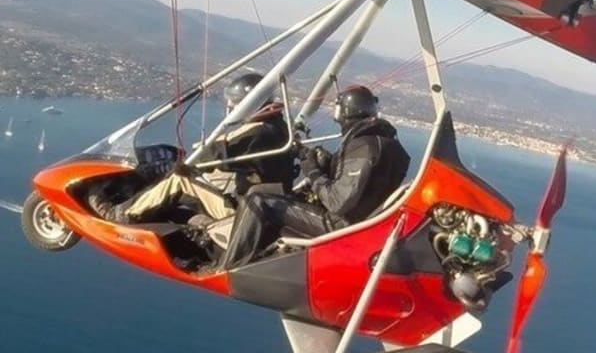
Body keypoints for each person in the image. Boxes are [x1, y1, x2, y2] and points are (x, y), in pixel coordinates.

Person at [221, 85, 410, 269]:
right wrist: (325, 164)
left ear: (343, 112)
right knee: (283, 199)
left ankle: (227, 266)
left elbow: (337, 202)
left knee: (259, 201)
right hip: (364, 224)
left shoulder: (363, 147)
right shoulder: (389, 145)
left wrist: (312, 171)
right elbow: (367, 185)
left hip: (341, 227)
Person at [88, 72, 296, 224]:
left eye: (234, 104)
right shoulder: (278, 125)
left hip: (247, 212)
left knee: (181, 179)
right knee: (211, 178)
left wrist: (189, 163)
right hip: (268, 203)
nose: (231, 108)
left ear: (246, 105)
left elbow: (213, 152)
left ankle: (123, 214)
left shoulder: (257, 132)